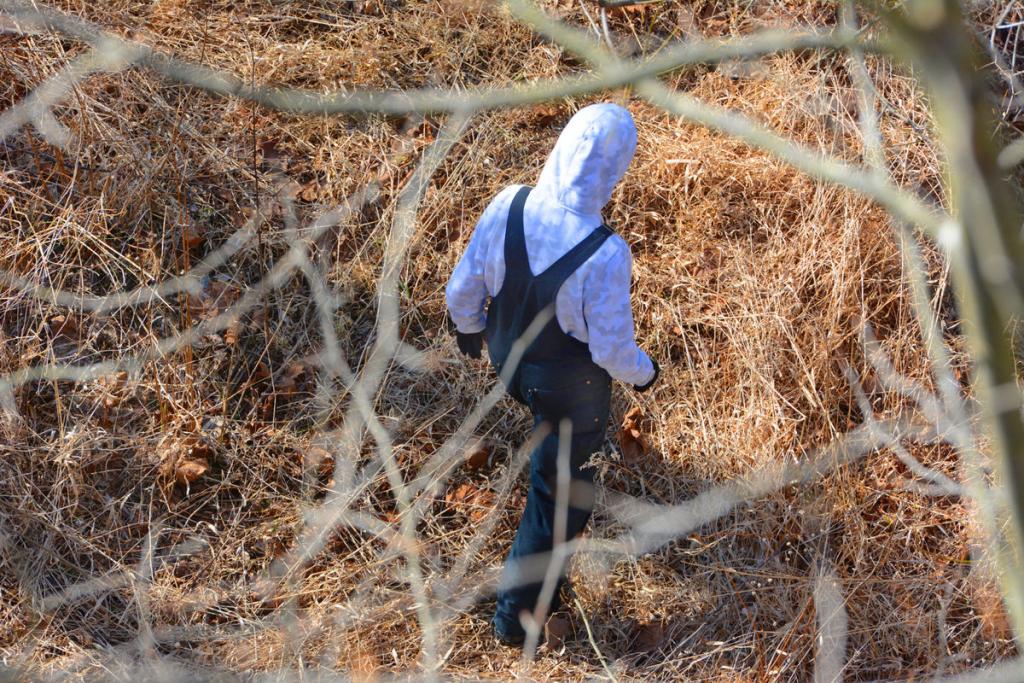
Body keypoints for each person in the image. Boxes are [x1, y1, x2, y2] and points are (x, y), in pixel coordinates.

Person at [445, 102, 658, 646]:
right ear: (616, 171)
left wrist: (468, 327)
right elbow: (610, 349)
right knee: (558, 498)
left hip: (508, 361)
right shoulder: (605, 254)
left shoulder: (508, 203)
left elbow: (462, 288)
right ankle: (517, 619)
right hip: (567, 389)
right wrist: (644, 374)